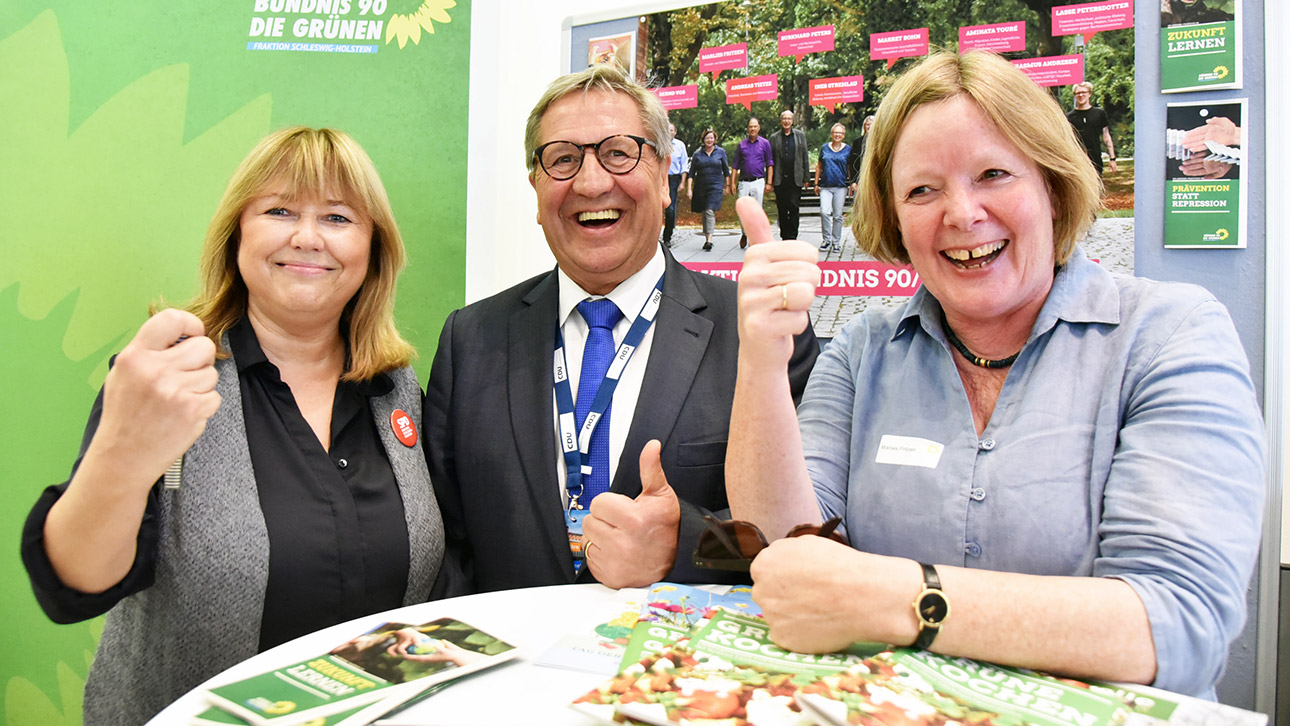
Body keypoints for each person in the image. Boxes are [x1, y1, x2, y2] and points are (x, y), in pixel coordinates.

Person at [722, 51, 1263, 699]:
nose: (961, 213)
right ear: (894, 218)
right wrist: (760, 358)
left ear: (1052, 186)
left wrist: (903, 599)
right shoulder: (866, 349)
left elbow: (1178, 628)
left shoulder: (1170, 336)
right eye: (922, 189)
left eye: (994, 174)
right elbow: (785, 548)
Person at [20, 127, 444, 724]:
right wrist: (123, 450)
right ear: (236, 236)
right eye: (279, 210)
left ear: (374, 248)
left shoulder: (397, 393)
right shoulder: (169, 378)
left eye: (338, 218)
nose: (307, 237)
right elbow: (74, 586)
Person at [424, 63, 818, 597]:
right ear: (536, 190)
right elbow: (447, 544)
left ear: (662, 178)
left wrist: (687, 544)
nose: (590, 182)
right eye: (562, 159)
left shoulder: (756, 333)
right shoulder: (470, 340)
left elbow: (810, 534)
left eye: (618, 153)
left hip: (682, 671)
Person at [731, 116, 774, 249]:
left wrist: (769, 182)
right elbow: (735, 165)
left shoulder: (765, 143)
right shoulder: (741, 145)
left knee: (756, 211)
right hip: (744, 182)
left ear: (759, 128)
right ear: (748, 128)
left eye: (755, 126)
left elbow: (770, 164)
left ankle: (754, 239)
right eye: (751, 127)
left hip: (758, 181)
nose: (753, 129)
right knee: (742, 210)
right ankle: (744, 233)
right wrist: (731, 183)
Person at [768, 109, 809, 240]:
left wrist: (806, 177)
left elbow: (805, 157)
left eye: (789, 119)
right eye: (784, 119)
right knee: (782, 208)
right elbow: (770, 160)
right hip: (780, 179)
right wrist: (770, 180)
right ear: (781, 121)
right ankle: (784, 235)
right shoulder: (774, 138)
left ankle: (793, 236)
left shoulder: (800, 136)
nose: (786, 121)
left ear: (793, 121)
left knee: (794, 207)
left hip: (795, 178)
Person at [687, 128, 730, 251]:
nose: (709, 140)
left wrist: (728, 186)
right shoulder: (697, 154)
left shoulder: (721, 152)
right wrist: (689, 189)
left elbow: (726, 171)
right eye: (707, 138)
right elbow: (691, 173)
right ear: (703, 140)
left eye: (711, 138)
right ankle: (707, 236)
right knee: (705, 212)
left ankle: (709, 240)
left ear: (715, 139)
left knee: (710, 211)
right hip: (701, 186)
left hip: (716, 186)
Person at [813, 123, 850, 253]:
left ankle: (836, 242)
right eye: (835, 132)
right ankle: (826, 240)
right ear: (831, 134)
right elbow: (819, 166)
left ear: (843, 135)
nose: (837, 135)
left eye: (840, 133)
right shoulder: (824, 148)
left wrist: (851, 183)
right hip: (825, 186)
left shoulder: (848, 149)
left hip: (841, 186)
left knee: (838, 215)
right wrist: (816, 183)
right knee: (824, 211)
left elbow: (849, 168)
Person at [1067, 82, 1118, 176]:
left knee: (1097, 187)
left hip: (1096, 157)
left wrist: (1112, 158)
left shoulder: (1099, 113)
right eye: (1078, 93)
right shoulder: (1069, 117)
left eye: (1083, 92)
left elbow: (1106, 135)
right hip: (1078, 159)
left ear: (1089, 94)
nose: (1081, 95)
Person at [663, 123, 688, 247]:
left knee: (670, 209)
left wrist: (682, 182)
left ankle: (667, 237)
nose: (669, 132)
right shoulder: (659, 144)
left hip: (673, 179)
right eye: (667, 130)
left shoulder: (680, 145)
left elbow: (684, 164)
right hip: (660, 179)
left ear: (675, 132)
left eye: (671, 130)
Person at [846, 114, 875, 197]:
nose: (870, 126)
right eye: (868, 124)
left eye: (872, 124)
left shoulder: (880, 141)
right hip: (860, 179)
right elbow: (852, 163)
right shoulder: (857, 142)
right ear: (864, 126)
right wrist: (853, 181)